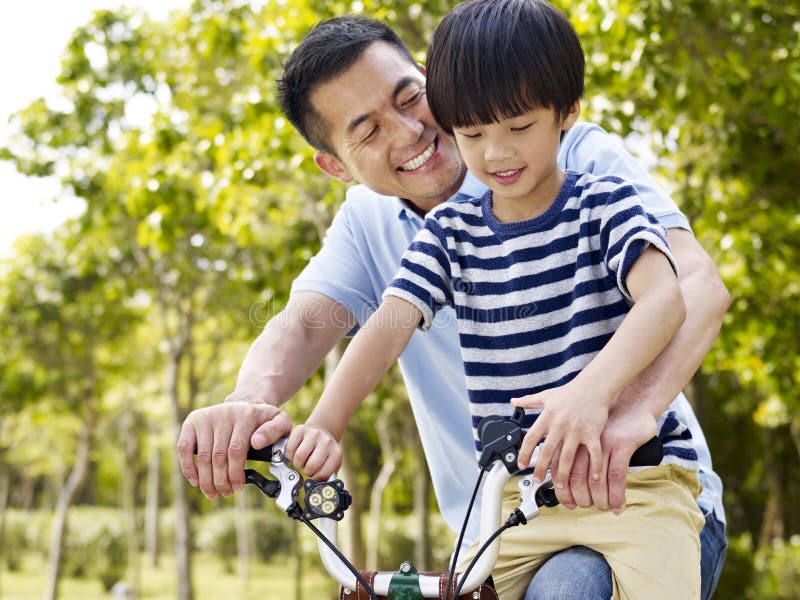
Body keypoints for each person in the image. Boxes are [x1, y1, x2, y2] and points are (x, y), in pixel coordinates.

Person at [176, 11, 729, 600]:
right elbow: (311, 323)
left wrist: (623, 409)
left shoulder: (574, 159)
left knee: (565, 588)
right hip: (503, 518)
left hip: (638, 486)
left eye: (409, 97)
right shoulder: (401, 227)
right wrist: (255, 406)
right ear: (336, 166)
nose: (409, 132)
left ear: (427, 76)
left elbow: (694, 288)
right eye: (367, 131)